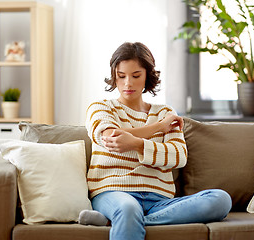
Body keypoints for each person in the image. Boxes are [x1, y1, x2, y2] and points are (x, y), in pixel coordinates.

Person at [79, 42, 232, 240]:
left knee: (220, 200)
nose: (128, 83)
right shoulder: (100, 107)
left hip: (158, 200)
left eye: (135, 76)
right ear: (114, 76)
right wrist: (159, 127)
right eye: (121, 76)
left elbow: (178, 156)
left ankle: (115, 220)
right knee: (127, 208)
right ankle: (123, 216)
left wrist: (135, 143)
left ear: (147, 76)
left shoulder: (165, 112)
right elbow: (112, 138)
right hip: (113, 192)